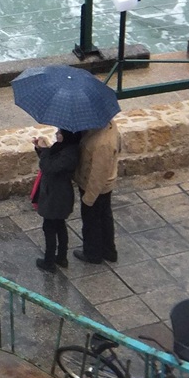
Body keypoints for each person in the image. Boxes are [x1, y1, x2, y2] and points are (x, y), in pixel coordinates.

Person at [32, 128, 83, 273]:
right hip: (58, 194)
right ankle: (61, 257)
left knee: (50, 228)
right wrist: (40, 148)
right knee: (59, 225)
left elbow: (48, 167)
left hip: (56, 196)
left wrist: (45, 150)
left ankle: (49, 262)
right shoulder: (65, 148)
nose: (56, 135)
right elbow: (50, 160)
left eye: (59, 133)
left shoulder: (69, 154)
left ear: (66, 136)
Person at [73, 117, 122, 265]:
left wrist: (89, 198)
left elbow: (97, 175)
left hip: (94, 187)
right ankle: (109, 251)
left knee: (91, 221)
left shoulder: (102, 143)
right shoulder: (110, 125)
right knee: (105, 217)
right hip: (106, 184)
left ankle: (92, 254)